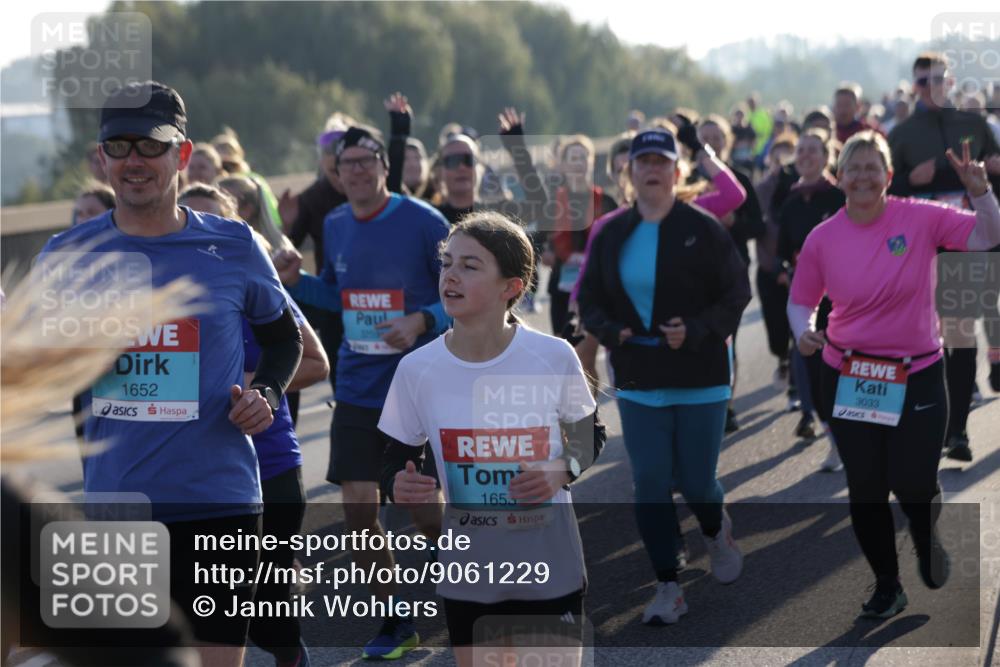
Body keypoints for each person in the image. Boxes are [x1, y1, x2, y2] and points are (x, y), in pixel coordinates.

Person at [40, 81, 304, 667]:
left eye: (151, 146)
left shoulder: (235, 246)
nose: (134, 161)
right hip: (118, 504)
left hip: (220, 503)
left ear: (181, 156)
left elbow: (283, 337)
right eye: (120, 145)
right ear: (103, 156)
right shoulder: (67, 256)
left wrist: (266, 391)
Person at [789, 131, 1000, 617]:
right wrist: (804, 331)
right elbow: (801, 300)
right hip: (848, 373)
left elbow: (988, 235)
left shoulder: (921, 218)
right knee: (865, 488)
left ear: (888, 176)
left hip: (919, 375)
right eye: (853, 167)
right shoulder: (823, 237)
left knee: (911, 483)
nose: (862, 176)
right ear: (838, 177)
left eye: (872, 167)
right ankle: (888, 583)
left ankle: (927, 539)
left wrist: (982, 192)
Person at [380, 211, 605, 666]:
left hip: (548, 562)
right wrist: (397, 485)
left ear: (512, 287)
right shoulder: (417, 369)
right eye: (447, 263)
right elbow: (394, 459)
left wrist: (561, 469)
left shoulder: (551, 356)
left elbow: (590, 435)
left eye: (470, 265)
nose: (451, 276)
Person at [273, 125, 449, 660]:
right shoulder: (335, 222)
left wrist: (422, 319)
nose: (355, 170)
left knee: (423, 513)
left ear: (383, 167)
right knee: (357, 512)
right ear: (336, 172)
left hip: (417, 385)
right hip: (355, 386)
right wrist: (297, 281)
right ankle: (395, 621)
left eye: (365, 160)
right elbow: (339, 295)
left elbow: (465, 291)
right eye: (345, 163)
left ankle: (471, 588)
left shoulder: (424, 222)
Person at [577, 129, 751, 625]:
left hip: (701, 373)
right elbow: (589, 298)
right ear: (629, 172)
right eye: (643, 161)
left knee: (697, 482)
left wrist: (696, 330)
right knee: (650, 481)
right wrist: (611, 331)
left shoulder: (704, 226)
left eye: (662, 161)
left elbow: (736, 293)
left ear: (678, 172)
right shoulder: (610, 230)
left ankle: (717, 533)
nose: (652, 169)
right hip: (639, 374)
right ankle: (668, 585)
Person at [180, 182, 329, 667]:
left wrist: (253, 382)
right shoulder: (161, 297)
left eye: (209, 221)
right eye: (188, 219)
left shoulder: (252, 282)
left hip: (269, 464)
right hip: (195, 476)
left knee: (263, 603)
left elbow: (315, 361)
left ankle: (293, 656)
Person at [888, 52, 1000, 461]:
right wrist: (907, 179)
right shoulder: (901, 134)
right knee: (918, 337)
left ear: (951, 82)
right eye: (923, 81)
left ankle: (957, 432)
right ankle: (920, 422)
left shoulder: (974, 125)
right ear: (914, 85)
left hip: (963, 244)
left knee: (959, 334)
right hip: (915, 249)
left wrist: (993, 169)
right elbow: (879, 192)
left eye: (939, 78)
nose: (932, 86)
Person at [775, 130, 845, 469]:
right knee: (817, 377)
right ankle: (835, 443)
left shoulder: (841, 197)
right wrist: (788, 271)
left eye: (813, 150)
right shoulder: (789, 203)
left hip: (846, 299)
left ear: (826, 155)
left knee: (847, 373)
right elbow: (783, 254)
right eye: (800, 150)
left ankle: (860, 441)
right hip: (809, 303)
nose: (805, 156)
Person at [546, 134, 618, 338]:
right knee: (562, 347)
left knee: (586, 353)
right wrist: (546, 252)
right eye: (573, 159)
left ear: (592, 162)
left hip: (595, 286)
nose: (578, 163)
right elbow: (540, 237)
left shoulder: (605, 201)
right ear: (564, 165)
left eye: (583, 158)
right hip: (562, 285)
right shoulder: (552, 201)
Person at [68, 182, 116, 439]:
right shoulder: (64, 259)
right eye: (79, 212)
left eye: (91, 211)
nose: (83, 218)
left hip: (129, 377)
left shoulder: (131, 258)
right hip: (83, 378)